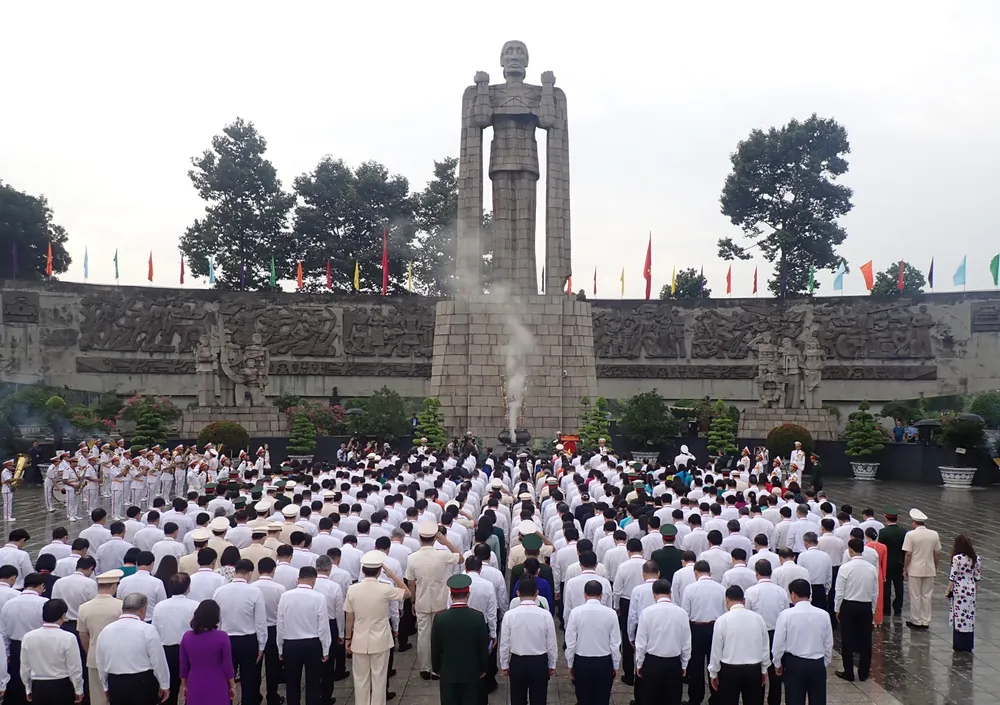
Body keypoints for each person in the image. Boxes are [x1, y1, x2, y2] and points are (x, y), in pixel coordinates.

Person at [345, 551, 410, 705]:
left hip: (359, 639)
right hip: (381, 639)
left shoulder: (352, 589)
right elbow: (407, 593)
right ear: (380, 571)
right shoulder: (385, 588)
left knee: (360, 679)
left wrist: (348, 637)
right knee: (379, 677)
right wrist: (392, 575)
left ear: (362, 570)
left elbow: (349, 617)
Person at [404, 522, 462, 680]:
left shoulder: (412, 558)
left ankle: (425, 667)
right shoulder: (442, 554)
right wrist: (446, 542)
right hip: (440, 600)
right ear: (435, 538)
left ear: (420, 538)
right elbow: (461, 558)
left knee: (423, 635)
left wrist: (413, 602)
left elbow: (410, 582)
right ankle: (437, 668)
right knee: (439, 635)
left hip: (422, 600)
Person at [95, 593, 171, 705]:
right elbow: (158, 660)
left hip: (116, 682)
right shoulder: (148, 629)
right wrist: (164, 684)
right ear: (143, 610)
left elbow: (100, 661)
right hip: (142, 683)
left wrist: (105, 686)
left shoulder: (106, 630)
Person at [212, 559, 266, 705]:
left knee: (226, 677)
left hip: (225, 639)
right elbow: (260, 621)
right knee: (249, 679)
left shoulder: (219, 591)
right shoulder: (255, 591)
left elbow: (216, 620)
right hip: (248, 640)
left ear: (235, 572)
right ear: (249, 573)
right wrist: (261, 645)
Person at [431, 574, 490, 705]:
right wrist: (483, 668)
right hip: (471, 672)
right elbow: (482, 646)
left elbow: (435, 647)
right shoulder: (477, 617)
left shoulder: (440, 618)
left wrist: (436, 668)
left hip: (448, 672)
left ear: (451, 597)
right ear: (468, 595)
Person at [772, 580, 832, 705]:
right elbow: (828, 643)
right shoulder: (823, 615)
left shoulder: (786, 615)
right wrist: (824, 662)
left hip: (795, 664)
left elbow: (779, 643)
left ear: (793, 594)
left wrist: (777, 663)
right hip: (817, 664)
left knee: (794, 699)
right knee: (818, 700)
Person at [276, 567, 331, 705]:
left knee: (292, 683)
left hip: (291, 644)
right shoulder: (319, 597)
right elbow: (323, 626)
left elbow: (280, 624)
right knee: (313, 683)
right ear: (314, 580)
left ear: (298, 579)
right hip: (312, 644)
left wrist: (280, 647)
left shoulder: (285, 596)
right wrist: (326, 649)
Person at [499, 577, 557, 705]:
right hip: (539, 662)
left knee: (517, 699)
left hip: (517, 662)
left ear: (518, 593)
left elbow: (505, 643)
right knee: (539, 699)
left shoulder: (510, 615)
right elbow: (551, 642)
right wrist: (552, 664)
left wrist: (504, 664)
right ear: (537, 593)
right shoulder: (545, 615)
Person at [708, 585, 769, 705]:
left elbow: (716, 650)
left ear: (727, 600)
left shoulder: (722, 620)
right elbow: (765, 647)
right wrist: (764, 669)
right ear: (744, 601)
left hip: (729, 671)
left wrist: (713, 673)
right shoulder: (758, 618)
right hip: (753, 669)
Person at [634, 578, 690, 705]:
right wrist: (684, 664)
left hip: (652, 663)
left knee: (649, 699)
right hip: (674, 662)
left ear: (654, 594)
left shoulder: (647, 613)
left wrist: (639, 664)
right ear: (670, 593)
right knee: (672, 699)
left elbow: (641, 643)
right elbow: (686, 642)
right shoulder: (681, 613)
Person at [19, 597, 84, 705]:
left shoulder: (28, 637)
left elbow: (25, 667)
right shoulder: (68, 637)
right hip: (61, 686)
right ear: (63, 616)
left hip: (38, 687)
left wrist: (28, 688)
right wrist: (78, 690)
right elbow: (75, 668)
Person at [565, 580, 620, 705]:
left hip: (582, 661)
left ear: (585, 594)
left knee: (583, 699)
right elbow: (615, 643)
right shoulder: (611, 614)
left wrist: (570, 663)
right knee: (602, 699)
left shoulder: (575, 613)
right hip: (604, 661)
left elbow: (571, 642)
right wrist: (616, 664)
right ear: (601, 595)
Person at [681, 560, 726, 705]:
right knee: (716, 662)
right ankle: (717, 696)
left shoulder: (690, 588)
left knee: (695, 665)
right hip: (715, 628)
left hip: (696, 629)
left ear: (696, 572)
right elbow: (725, 612)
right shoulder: (721, 588)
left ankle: (695, 698)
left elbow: (685, 613)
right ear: (710, 572)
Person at [834, 538, 879, 682]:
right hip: (865, 605)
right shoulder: (871, 568)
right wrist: (872, 608)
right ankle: (864, 672)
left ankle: (849, 671)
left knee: (847, 639)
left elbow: (839, 591)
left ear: (850, 550)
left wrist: (837, 608)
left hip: (849, 605)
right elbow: (875, 592)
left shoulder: (845, 568)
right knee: (866, 639)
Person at [78, 570, 124, 705]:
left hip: (94, 656)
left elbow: (83, 635)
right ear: (115, 586)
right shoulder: (121, 606)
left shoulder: (84, 608)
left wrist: (90, 651)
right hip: (118, 656)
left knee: (98, 697)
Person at [1, 571, 48, 705]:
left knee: (18, 678)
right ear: (41, 586)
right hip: (38, 644)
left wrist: (7, 652)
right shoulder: (44, 602)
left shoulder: (9, 604)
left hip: (16, 646)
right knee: (38, 676)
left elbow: (4, 632)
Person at [151, 573, 197, 705]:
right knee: (191, 686)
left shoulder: (160, 606)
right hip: (189, 651)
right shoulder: (194, 605)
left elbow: (155, 630)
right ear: (188, 587)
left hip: (167, 651)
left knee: (169, 688)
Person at [179, 599, 235, 705]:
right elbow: (227, 665)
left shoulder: (187, 637)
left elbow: (183, 666)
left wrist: (184, 685)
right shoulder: (222, 636)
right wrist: (232, 685)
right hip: (217, 681)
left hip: (195, 681)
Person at [902, 508, 940, 629]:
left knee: (915, 595)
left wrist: (905, 568)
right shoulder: (934, 534)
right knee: (927, 595)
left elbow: (908, 554)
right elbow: (937, 553)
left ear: (914, 522)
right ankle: (926, 620)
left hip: (915, 569)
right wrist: (935, 566)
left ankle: (916, 620)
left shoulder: (910, 535)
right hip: (929, 569)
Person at [947, 534, 981, 652]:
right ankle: (968, 644)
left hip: (959, 589)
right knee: (969, 617)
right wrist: (975, 590)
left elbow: (953, 576)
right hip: (970, 588)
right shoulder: (976, 558)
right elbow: (977, 577)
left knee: (959, 616)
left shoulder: (957, 559)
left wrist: (948, 590)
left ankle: (959, 644)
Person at [863, 528, 888, 627]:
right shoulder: (883, 547)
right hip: (879, 573)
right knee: (879, 596)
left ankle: (870, 618)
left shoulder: (866, 547)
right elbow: (884, 563)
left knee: (869, 595)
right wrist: (884, 576)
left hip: (868, 572)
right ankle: (878, 620)